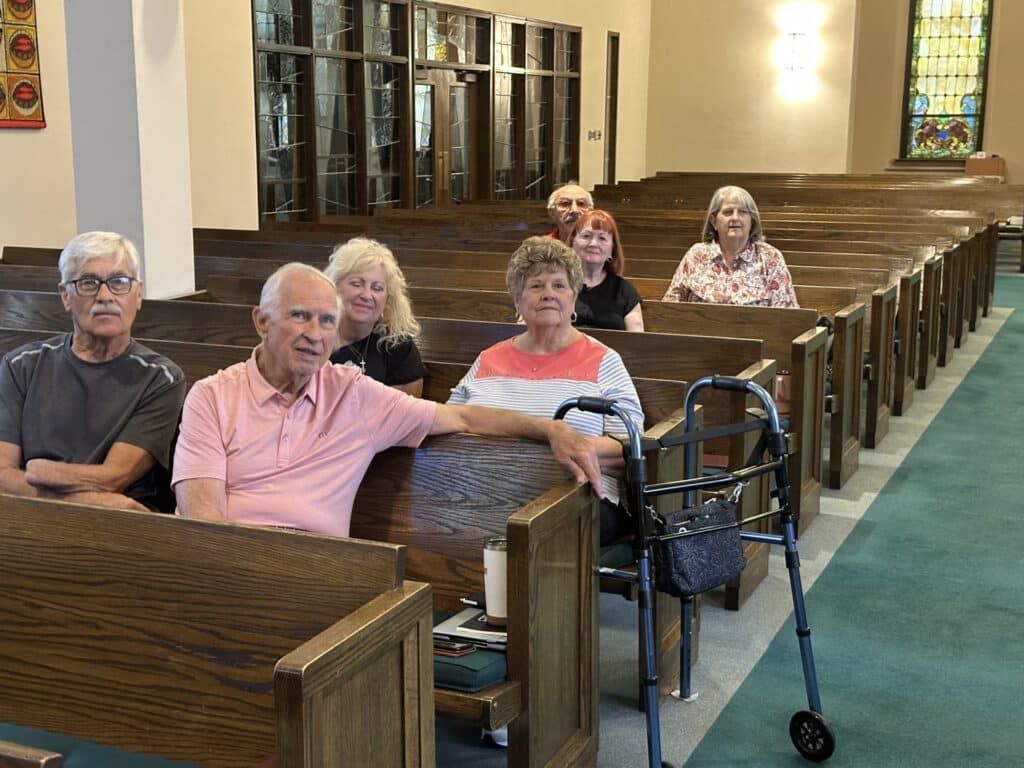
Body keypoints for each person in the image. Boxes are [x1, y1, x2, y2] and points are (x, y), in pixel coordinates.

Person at [172, 262, 605, 537]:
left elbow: (462, 418)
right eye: (299, 316)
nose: (315, 334)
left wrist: (552, 428)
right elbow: (203, 522)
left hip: (319, 567)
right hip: (229, 564)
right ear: (261, 322)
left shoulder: (354, 394)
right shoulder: (211, 397)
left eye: (327, 321)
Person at [448, 236, 644, 546]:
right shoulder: (488, 358)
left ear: (573, 297)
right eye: (536, 286)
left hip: (575, 498)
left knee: (532, 532)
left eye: (559, 285)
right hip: (486, 493)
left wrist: (554, 452)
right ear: (517, 300)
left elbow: (629, 449)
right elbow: (451, 425)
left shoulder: (604, 360)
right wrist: (540, 439)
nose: (548, 294)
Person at [0, 231, 186, 511]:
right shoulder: (20, 366)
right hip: (30, 519)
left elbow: (113, 478)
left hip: (116, 531)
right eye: (88, 283)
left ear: (138, 295)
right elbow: (2, 477)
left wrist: (39, 471)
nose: (105, 296)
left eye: (119, 282)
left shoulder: (161, 378)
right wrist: (88, 499)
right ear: (65, 295)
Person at [662, 185, 799, 308]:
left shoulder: (770, 258)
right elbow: (669, 306)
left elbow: (788, 314)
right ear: (714, 222)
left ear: (752, 221)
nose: (735, 217)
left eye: (742, 212)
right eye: (727, 212)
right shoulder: (696, 255)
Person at [325, 237, 426, 397]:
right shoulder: (314, 336)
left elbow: (403, 416)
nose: (366, 295)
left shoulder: (397, 347)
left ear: (387, 299)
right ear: (335, 287)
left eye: (377, 288)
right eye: (356, 284)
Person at [570, 209, 644, 331]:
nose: (593, 243)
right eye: (586, 236)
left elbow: (636, 339)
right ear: (573, 243)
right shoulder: (557, 284)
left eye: (602, 238)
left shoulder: (624, 290)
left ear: (612, 249)